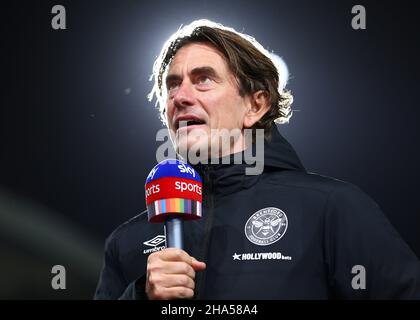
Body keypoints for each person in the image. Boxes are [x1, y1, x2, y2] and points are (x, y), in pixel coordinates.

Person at [94, 19, 420, 299]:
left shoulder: (331, 209)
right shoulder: (128, 242)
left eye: (203, 79)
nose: (180, 96)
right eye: (173, 84)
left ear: (256, 105)